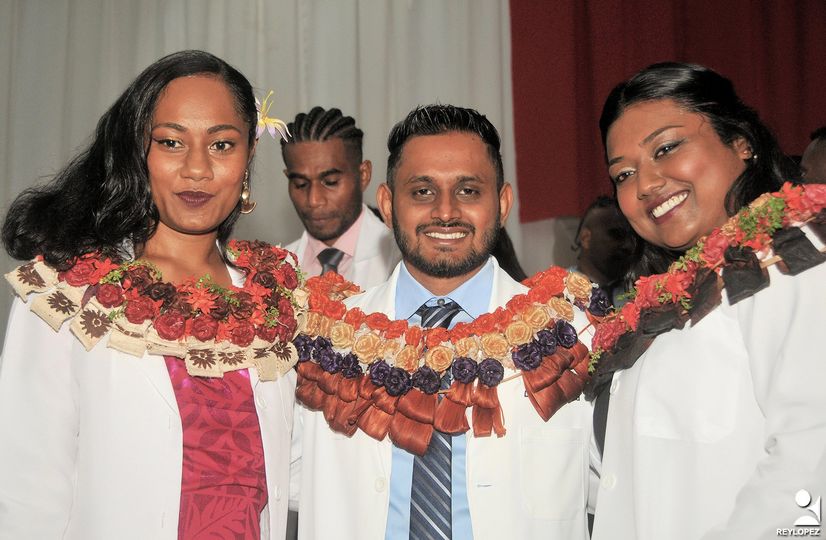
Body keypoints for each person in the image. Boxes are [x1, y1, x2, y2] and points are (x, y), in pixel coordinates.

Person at [0, 50, 299, 539]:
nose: (197, 168)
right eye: (171, 142)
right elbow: (26, 492)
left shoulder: (277, 297)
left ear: (248, 156)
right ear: (138, 151)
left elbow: (302, 464)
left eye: (222, 144)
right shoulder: (65, 291)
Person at [292, 104, 596, 539]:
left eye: (469, 190)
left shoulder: (574, 336)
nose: (446, 211)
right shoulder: (322, 343)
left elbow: (626, 491)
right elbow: (273, 482)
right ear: (387, 205)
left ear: (502, 203)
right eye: (422, 191)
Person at [587, 62, 826, 540]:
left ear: (741, 142)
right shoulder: (653, 310)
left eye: (666, 148)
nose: (646, 184)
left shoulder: (793, 262)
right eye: (624, 173)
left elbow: (810, 473)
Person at [281, 106, 400, 288]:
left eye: (330, 182)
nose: (314, 200)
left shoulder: (402, 260)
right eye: (300, 184)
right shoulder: (275, 267)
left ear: (364, 175)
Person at [571, 195, 637, 307]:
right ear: (586, 238)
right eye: (617, 235)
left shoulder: (640, 293)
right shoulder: (557, 292)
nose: (628, 245)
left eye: (633, 237)